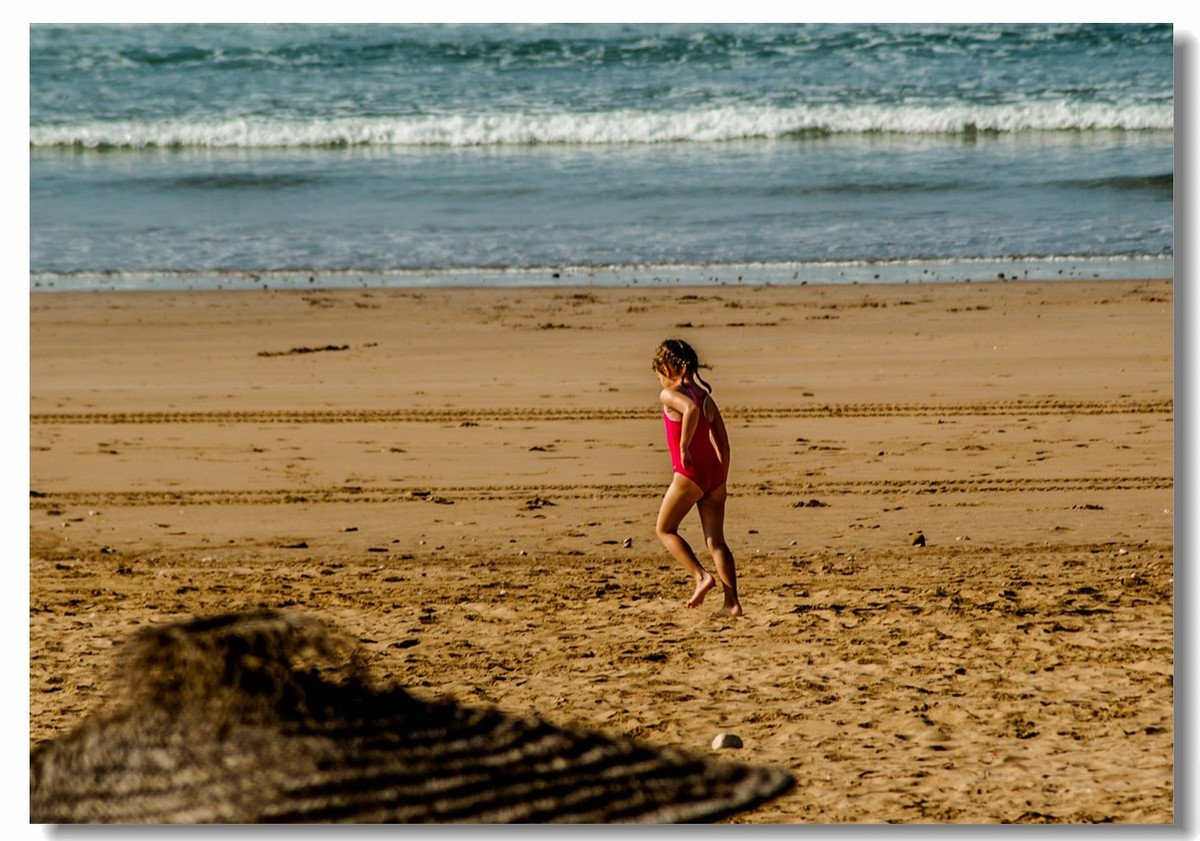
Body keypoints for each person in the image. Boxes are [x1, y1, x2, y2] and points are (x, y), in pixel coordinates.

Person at [651, 339, 742, 616]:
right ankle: (732, 603)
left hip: (689, 474)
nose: (659, 380)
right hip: (714, 473)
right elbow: (724, 444)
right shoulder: (706, 397)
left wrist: (683, 446)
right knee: (716, 541)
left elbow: (688, 410)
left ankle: (700, 576)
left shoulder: (670, 395)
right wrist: (722, 479)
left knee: (664, 529)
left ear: (668, 368)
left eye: (658, 373)